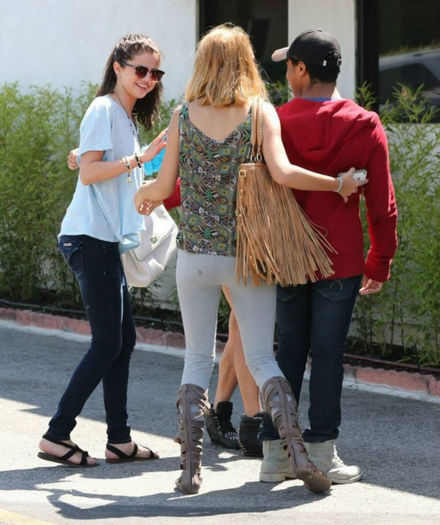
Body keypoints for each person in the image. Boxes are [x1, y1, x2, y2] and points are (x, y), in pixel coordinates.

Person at [134, 24, 365, 495]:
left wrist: (144, 194)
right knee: (262, 358)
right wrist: (338, 185)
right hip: (247, 261)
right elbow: (283, 174)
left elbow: (164, 189)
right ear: (246, 64)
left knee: (196, 358)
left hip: (195, 259)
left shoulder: (181, 116)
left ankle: (189, 470)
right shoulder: (261, 113)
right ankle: (298, 456)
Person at [259, 29, 398, 485]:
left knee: (287, 353)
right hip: (341, 258)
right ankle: (321, 452)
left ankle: (277, 455)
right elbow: (382, 203)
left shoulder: (277, 121)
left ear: (301, 69)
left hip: (287, 256)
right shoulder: (364, 123)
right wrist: (380, 261)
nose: (286, 73)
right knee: (328, 355)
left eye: (289, 65)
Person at [38, 34, 166, 467]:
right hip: (89, 239)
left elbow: (90, 162)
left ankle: (120, 439)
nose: (147, 79)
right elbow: (92, 172)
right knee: (107, 342)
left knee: (122, 341)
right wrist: (137, 159)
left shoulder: (125, 118)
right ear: (118, 66)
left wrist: (144, 166)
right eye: (140, 70)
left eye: (154, 72)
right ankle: (57, 434)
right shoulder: (104, 109)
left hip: (105, 240)